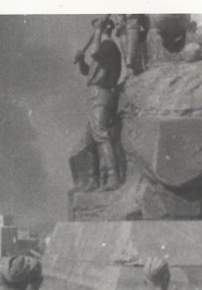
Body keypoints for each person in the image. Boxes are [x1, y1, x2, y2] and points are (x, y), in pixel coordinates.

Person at [74, 16, 123, 191]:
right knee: (89, 142)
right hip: (95, 95)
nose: (95, 30)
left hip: (102, 94)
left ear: (103, 29)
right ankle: (94, 180)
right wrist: (81, 61)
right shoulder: (103, 48)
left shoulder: (108, 47)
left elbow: (95, 54)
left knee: (101, 135)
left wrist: (97, 33)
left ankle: (113, 177)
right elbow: (90, 72)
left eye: (97, 28)